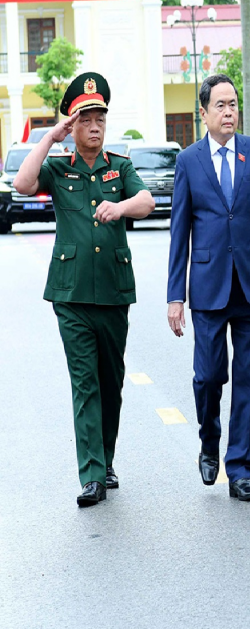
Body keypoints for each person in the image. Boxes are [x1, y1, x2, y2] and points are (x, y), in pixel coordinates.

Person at [13, 72, 155, 507]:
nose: (94, 127)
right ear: (72, 127)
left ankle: (105, 460)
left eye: (100, 119)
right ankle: (91, 475)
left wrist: (122, 206)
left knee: (110, 382)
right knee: (84, 383)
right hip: (71, 295)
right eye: (85, 119)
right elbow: (21, 184)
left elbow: (147, 202)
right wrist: (50, 136)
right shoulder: (58, 168)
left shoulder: (121, 167)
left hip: (113, 292)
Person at [167, 73, 250, 502]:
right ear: (204, 113)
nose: (229, 112)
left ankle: (240, 469)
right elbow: (179, 232)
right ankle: (208, 441)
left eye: (233, 104)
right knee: (208, 376)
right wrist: (175, 295)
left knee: (247, 378)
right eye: (220, 105)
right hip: (209, 287)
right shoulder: (189, 161)